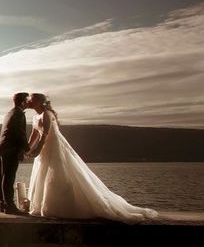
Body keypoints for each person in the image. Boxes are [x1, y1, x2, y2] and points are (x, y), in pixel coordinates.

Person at [25, 93, 158, 223]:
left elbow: (45, 135)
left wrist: (36, 150)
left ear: (39, 102)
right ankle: (43, 205)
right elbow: (34, 134)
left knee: (58, 174)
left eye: (32, 99)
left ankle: (60, 208)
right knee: (43, 173)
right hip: (45, 149)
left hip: (53, 147)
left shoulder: (47, 115)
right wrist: (28, 149)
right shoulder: (36, 117)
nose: (29, 101)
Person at [0, 92, 30, 215]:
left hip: (3, 148)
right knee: (9, 178)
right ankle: (10, 206)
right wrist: (27, 149)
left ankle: (4, 204)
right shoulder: (19, 114)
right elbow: (20, 133)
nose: (29, 102)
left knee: (3, 178)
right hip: (11, 149)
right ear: (23, 102)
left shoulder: (10, 113)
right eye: (27, 100)